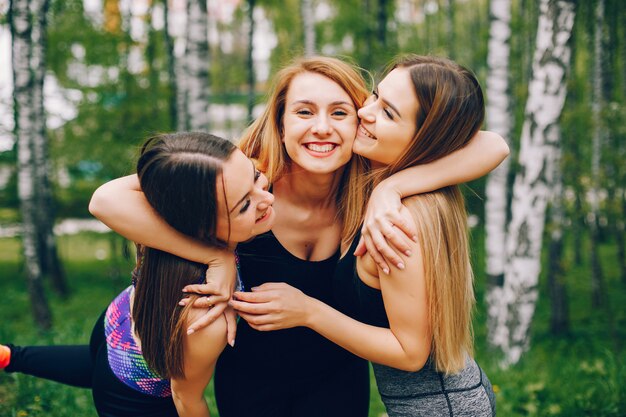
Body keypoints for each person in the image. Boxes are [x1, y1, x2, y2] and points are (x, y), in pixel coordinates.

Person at [88, 56, 508, 417]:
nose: (322, 128)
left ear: (358, 119)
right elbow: (107, 199)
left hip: (338, 385)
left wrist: (390, 188)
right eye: (304, 112)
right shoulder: (244, 179)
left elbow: (492, 144)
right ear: (281, 122)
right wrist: (214, 257)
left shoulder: (369, 182)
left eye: (340, 112)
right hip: (250, 383)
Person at [230, 55, 498, 416]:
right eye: (373, 97)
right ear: (279, 122)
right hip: (412, 401)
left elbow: (494, 144)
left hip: (433, 405)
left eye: (387, 112)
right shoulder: (359, 182)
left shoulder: (396, 220)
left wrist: (308, 311)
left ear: (425, 137)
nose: (365, 112)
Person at [1, 132, 276, 417]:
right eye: (244, 205)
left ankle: (8, 356)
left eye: (256, 175)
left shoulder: (176, 221)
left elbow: (149, 185)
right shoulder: (206, 317)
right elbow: (187, 399)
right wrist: (218, 256)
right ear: (200, 227)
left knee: (96, 360)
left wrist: (221, 254)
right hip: (131, 397)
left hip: (117, 325)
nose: (266, 197)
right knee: (102, 368)